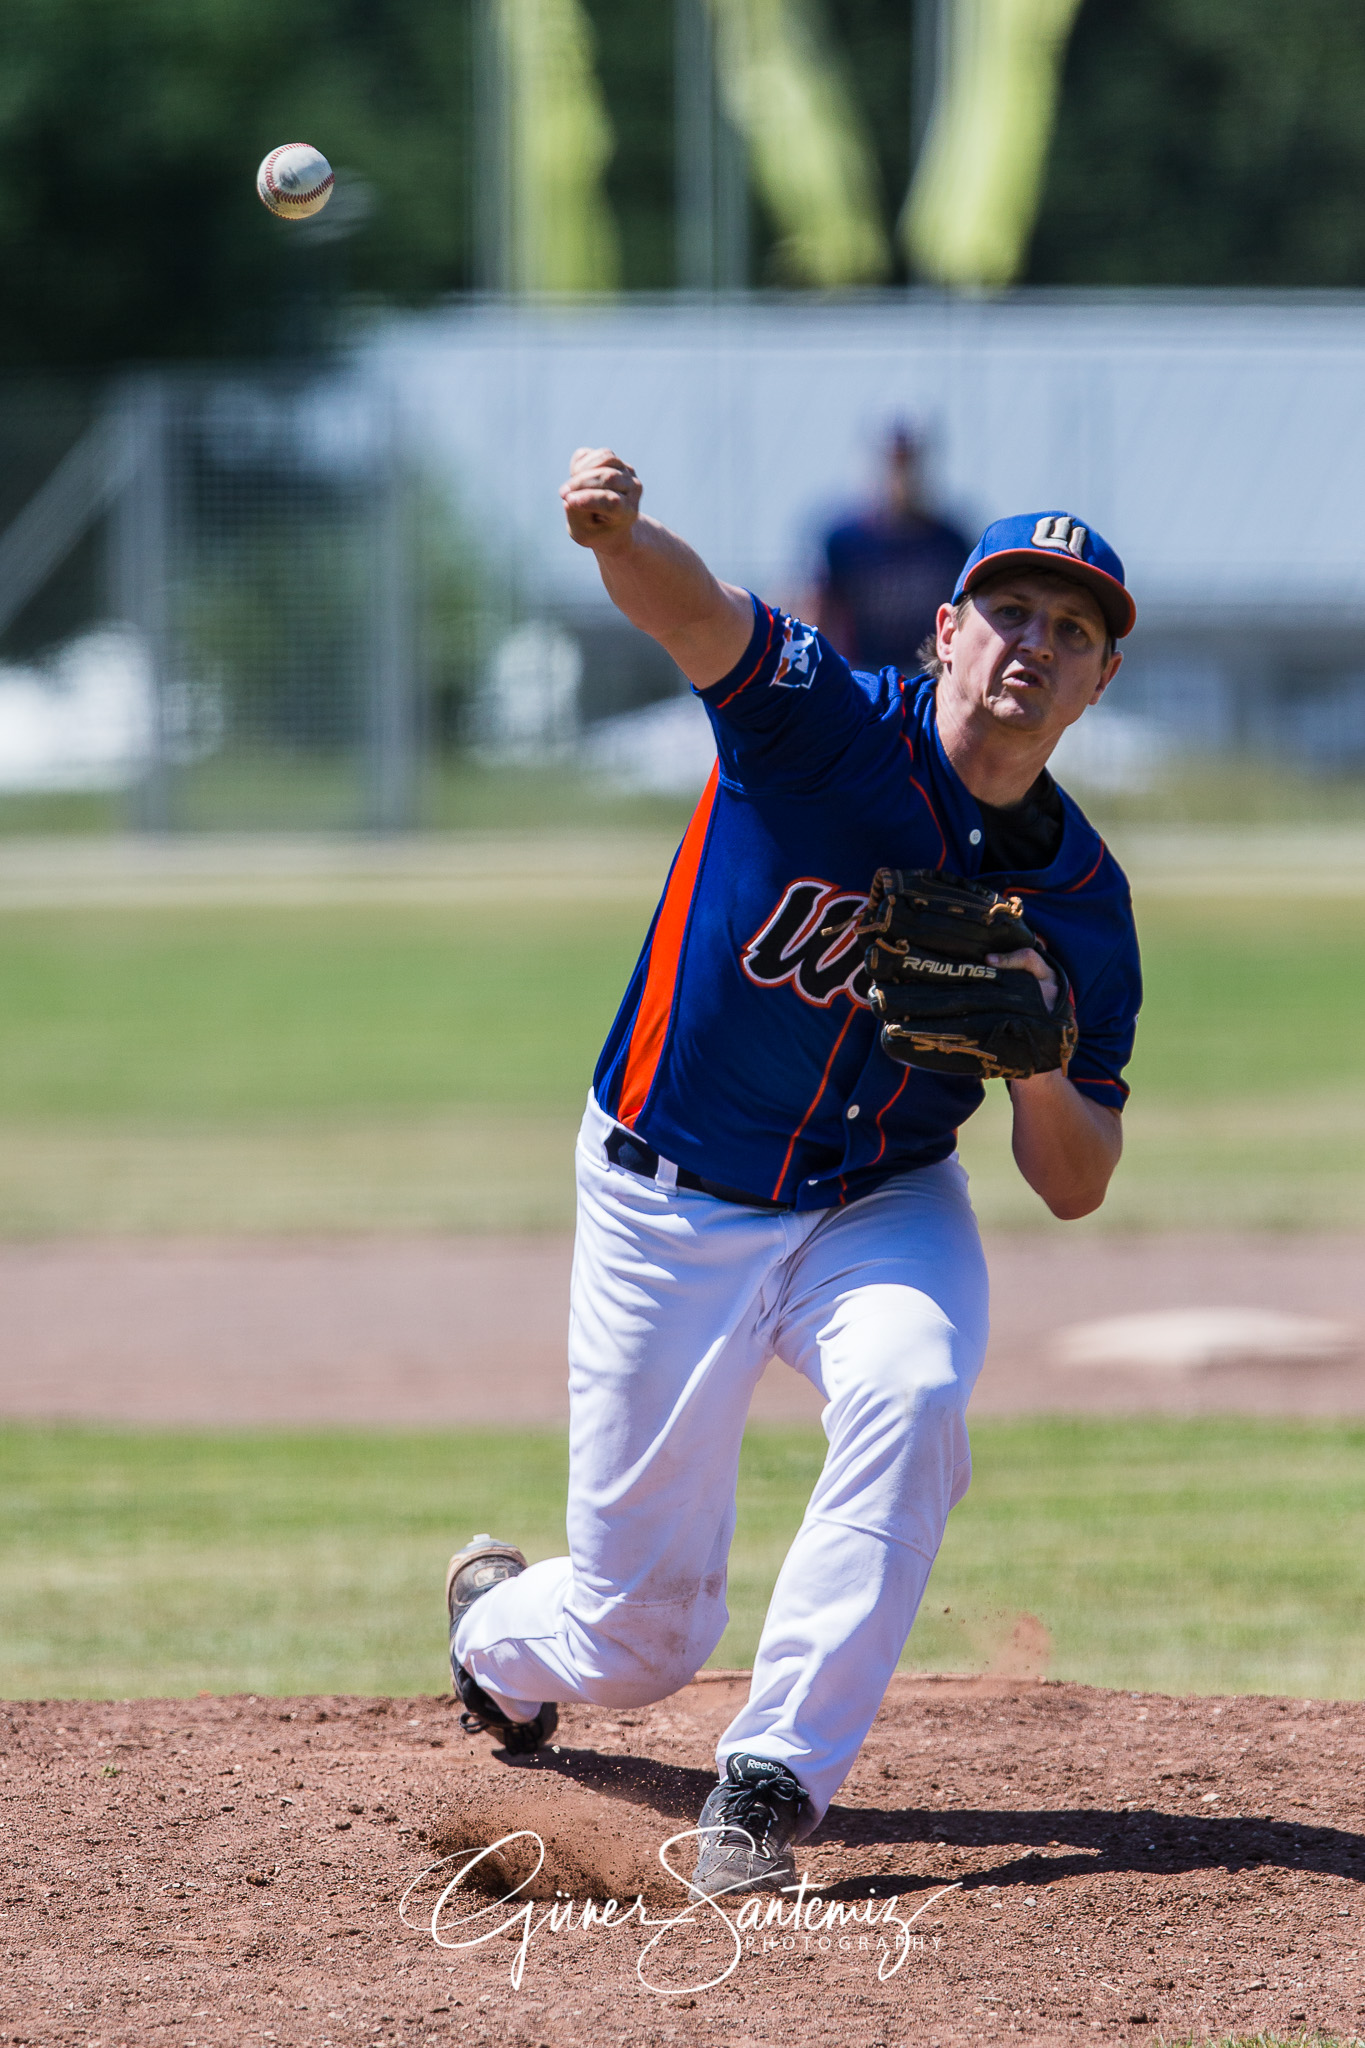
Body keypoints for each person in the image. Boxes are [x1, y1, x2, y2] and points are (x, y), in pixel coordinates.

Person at [445, 450, 1142, 1899]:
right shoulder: (824, 723)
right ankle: (491, 1635)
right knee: (640, 1639)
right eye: (1009, 610)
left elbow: (1077, 1179)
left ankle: (767, 1786)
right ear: (944, 630)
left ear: (1100, 680)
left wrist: (1038, 1064)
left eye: (1072, 629)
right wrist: (619, 537)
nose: (1034, 643)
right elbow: (696, 613)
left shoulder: (1081, 901)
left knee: (915, 1387)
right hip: (670, 1192)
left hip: (880, 1195)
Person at [814, 425, 971, 674]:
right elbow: (821, 613)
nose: (902, 473)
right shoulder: (844, 541)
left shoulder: (951, 542)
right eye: (895, 461)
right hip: (862, 676)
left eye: (910, 461)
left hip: (929, 675)